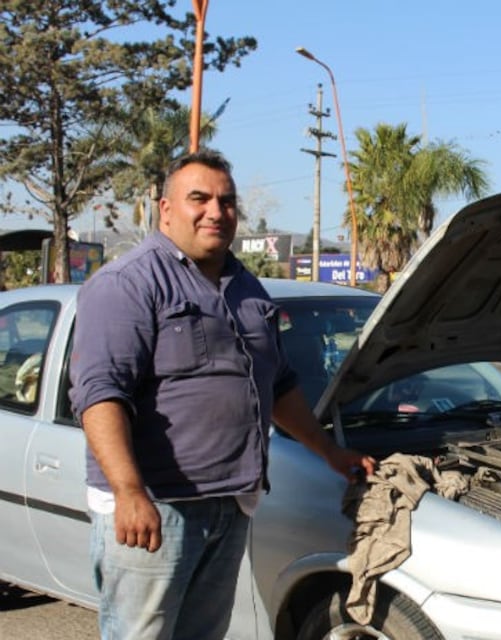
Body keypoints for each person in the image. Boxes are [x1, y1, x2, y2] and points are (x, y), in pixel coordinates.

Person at [69, 149, 376, 640]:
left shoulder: (247, 288)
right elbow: (100, 395)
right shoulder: (128, 284)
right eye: (199, 198)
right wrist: (129, 491)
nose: (216, 211)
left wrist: (330, 452)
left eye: (226, 201)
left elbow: (278, 385)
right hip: (158, 505)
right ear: (166, 210)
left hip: (230, 503)